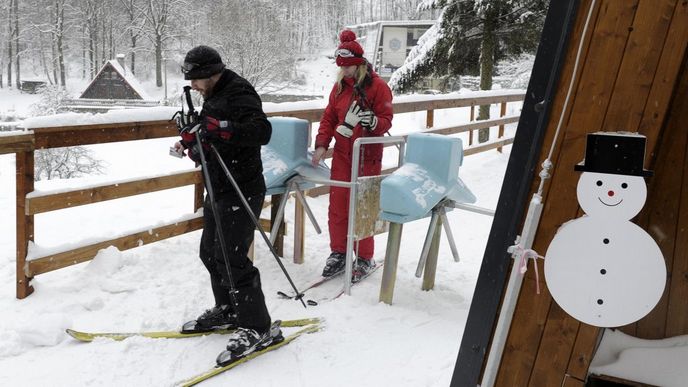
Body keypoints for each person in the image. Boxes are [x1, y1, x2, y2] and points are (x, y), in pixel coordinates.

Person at [173, 45, 281, 360]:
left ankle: (257, 326)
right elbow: (212, 140)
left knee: (233, 259)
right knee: (210, 253)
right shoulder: (213, 95)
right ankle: (230, 309)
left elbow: (261, 131)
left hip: (241, 187)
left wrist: (222, 129)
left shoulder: (239, 92)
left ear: (210, 73)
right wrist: (191, 142)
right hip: (219, 186)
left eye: (195, 79)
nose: (192, 85)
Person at [311, 30, 393, 280]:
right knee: (338, 206)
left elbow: (387, 119)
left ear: (358, 64)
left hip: (367, 155)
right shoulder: (338, 89)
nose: (345, 72)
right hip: (344, 155)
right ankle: (339, 252)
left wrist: (374, 122)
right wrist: (322, 144)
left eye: (348, 67)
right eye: (342, 68)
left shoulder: (378, 87)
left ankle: (365, 256)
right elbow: (329, 118)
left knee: (363, 206)